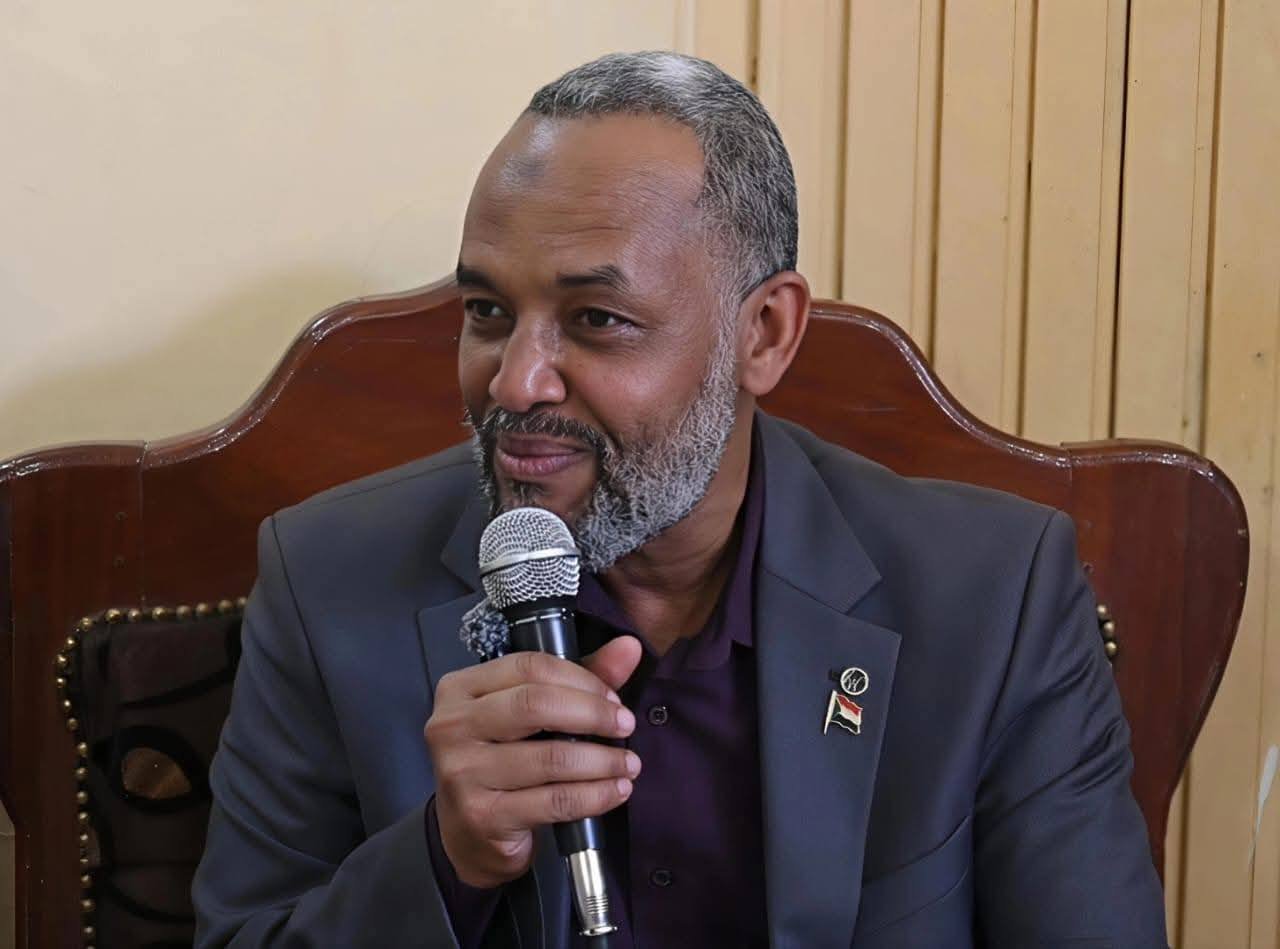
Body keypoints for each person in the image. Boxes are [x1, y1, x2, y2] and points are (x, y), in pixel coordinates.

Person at [192, 51, 1167, 947]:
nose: (515, 382)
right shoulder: (328, 579)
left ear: (764, 333)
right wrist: (446, 861)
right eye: (487, 311)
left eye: (596, 318)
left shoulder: (993, 601)